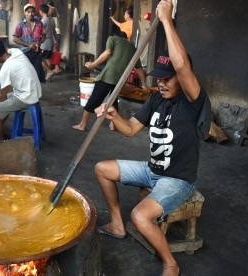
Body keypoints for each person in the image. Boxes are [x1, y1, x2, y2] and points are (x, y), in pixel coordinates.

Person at [93, 1, 211, 275]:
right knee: (102, 169)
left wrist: (167, 20)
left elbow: (181, 66)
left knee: (140, 215)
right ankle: (117, 226)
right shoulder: (157, 99)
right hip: (151, 170)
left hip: (177, 179)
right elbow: (132, 129)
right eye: (159, 77)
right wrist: (114, 116)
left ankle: (171, 263)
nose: (161, 83)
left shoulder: (194, 100)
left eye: (168, 79)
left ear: (183, 78)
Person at [72, 29, 147, 132]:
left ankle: (82, 125)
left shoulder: (112, 39)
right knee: (113, 101)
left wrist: (93, 64)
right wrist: (144, 84)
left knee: (94, 100)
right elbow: (139, 69)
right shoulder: (132, 47)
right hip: (120, 80)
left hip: (107, 76)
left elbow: (107, 52)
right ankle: (113, 125)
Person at [0, 38, 42, 141]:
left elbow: (2, 96)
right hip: (35, 92)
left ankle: (0, 138)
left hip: (26, 98)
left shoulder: (5, 69)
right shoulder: (17, 52)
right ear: (4, 48)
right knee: (4, 102)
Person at [13, 3, 46, 83]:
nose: (30, 14)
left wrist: (39, 43)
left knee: (38, 74)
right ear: (25, 13)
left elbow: (44, 35)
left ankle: (36, 93)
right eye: (28, 12)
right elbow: (15, 38)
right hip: (25, 53)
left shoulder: (39, 23)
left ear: (34, 12)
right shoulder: (21, 24)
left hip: (36, 52)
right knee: (26, 74)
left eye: (32, 12)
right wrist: (28, 45)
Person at [38, 4, 56, 81]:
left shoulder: (42, 21)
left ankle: (49, 71)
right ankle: (50, 76)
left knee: (39, 58)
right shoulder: (52, 20)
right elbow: (54, 31)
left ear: (41, 11)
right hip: (51, 41)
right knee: (48, 59)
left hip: (44, 43)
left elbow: (39, 34)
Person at [48, 1, 62, 74]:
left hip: (55, 33)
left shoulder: (52, 9)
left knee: (55, 51)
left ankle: (57, 67)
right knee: (54, 51)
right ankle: (54, 67)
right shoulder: (54, 10)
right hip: (55, 32)